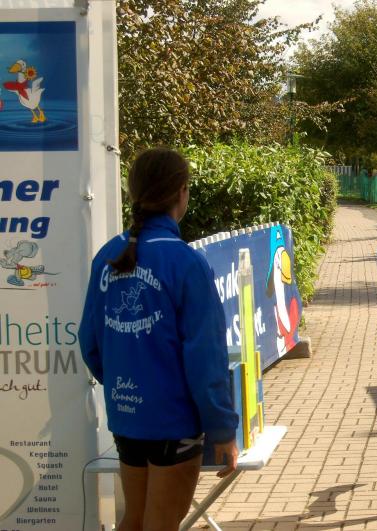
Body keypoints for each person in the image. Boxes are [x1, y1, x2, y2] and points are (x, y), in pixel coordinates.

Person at [79, 147, 239, 531]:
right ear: (181, 192)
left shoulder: (108, 255)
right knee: (159, 524)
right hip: (173, 421)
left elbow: (89, 341)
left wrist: (124, 382)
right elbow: (206, 360)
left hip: (127, 416)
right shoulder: (185, 262)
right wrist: (222, 429)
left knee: (134, 521)